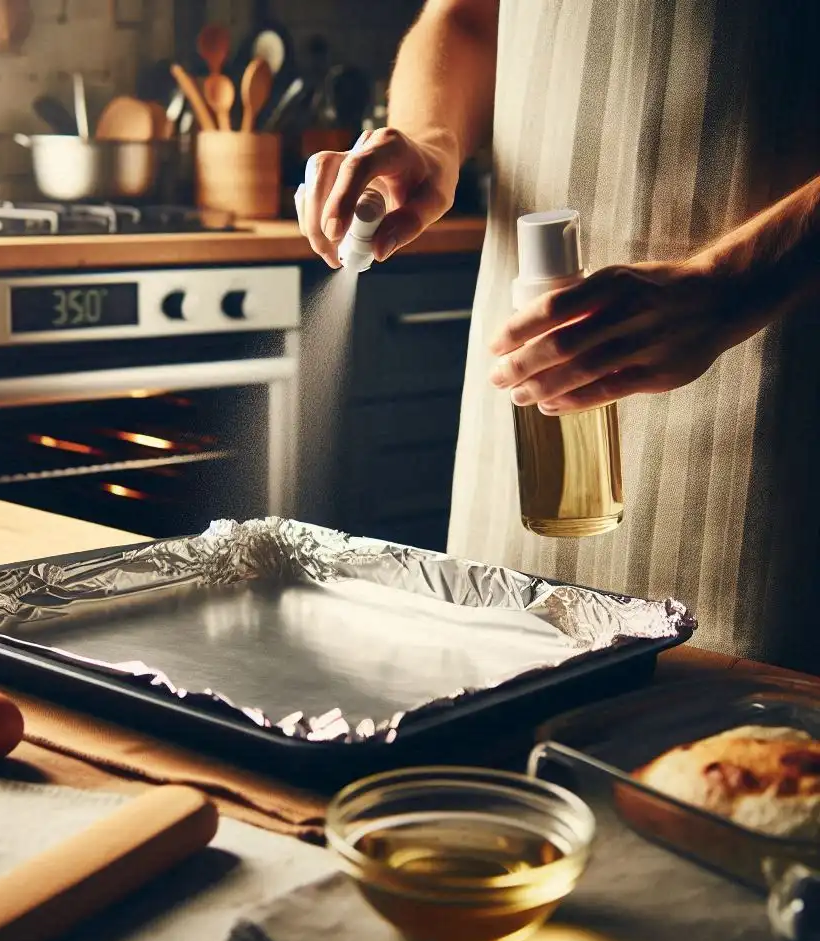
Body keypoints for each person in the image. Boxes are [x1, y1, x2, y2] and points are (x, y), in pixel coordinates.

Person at [297, 0, 820, 673]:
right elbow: (465, 19)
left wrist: (738, 282)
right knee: (495, 700)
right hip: (522, 388)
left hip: (772, 374)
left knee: (746, 750)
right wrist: (430, 137)